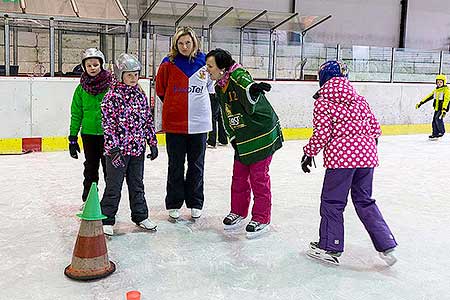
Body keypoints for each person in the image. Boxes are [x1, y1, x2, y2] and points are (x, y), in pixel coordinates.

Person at [301, 60, 397, 265]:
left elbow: (322, 133)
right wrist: (366, 149)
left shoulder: (324, 101)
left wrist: (309, 153)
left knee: (333, 202)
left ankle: (330, 246)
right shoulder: (359, 99)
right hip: (367, 157)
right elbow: (375, 128)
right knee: (364, 200)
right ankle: (386, 243)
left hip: (341, 161)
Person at [205, 48, 283, 238]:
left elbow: (247, 86)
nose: (207, 70)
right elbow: (226, 112)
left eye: (210, 66)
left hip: (261, 132)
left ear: (222, 68)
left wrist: (254, 90)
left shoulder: (238, 75)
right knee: (239, 176)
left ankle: (262, 218)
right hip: (243, 135)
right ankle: (238, 211)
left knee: (259, 177)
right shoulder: (219, 85)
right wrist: (232, 135)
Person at [155, 26, 213, 220]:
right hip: (174, 124)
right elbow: (161, 90)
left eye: (187, 42)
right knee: (176, 165)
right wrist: (175, 104)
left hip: (200, 123)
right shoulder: (167, 63)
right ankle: (174, 202)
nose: (184, 46)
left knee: (197, 164)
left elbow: (211, 87)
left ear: (194, 42)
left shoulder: (205, 62)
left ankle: (196, 202)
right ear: (175, 44)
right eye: (180, 43)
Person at [100, 53, 159, 236]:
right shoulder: (112, 97)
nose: (134, 78)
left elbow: (147, 120)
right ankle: (107, 218)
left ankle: (140, 215)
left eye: (136, 74)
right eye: (129, 75)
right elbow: (108, 125)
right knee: (113, 185)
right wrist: (113, 148)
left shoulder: (140, 95)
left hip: (137, 150)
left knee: (137, 184)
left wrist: (152, 142)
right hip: (117, 152)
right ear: (120, 75)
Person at [68, 48, 111, 207]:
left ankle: (109, 201)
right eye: (89, 65)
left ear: (101, 65)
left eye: (95, 64)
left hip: (108, 135)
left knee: (109, 169)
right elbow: (76, 113)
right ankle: (88, 199)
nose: (93, 68)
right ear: (84, 67)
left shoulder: (110, 87)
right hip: (89, 135)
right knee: (91, 168)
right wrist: (72, 138)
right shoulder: (81, 89)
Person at [416, 74, 450, 140]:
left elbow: (446, 100)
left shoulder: (446, 90)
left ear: (444, 82)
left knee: (438, 118)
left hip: (442, 108)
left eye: (441, 82)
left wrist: (444, 109)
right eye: (438, 82)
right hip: (437, 108)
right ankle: (435, 133)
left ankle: (441, 132)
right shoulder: (436, 91)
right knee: (434, 120)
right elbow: (428, 97)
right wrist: (421, 103)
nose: (439, 83)